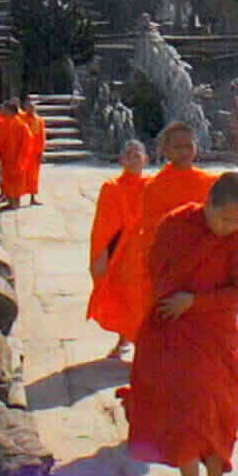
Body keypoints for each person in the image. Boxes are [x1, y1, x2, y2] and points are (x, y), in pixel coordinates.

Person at [122, 169, 238, 476]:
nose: (229, 227)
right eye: (224, 218)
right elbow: (156, 272)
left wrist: (195, 301)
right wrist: (178, 301)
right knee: (186, 413)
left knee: (223, 409)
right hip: (175, 332)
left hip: (217, 334)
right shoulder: (176, 225)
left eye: (237, 220)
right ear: (208, 203)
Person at [91, 123, 210, 341]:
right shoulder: (155, 187)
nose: (184, 152)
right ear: (166, 151)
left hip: (202, 268)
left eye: (188, 145)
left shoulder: (210, 183)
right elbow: (149, 234)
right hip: (165, 269)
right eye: (177, 147)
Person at [84, 139, 150, 362]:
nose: (133, 159)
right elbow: (103, 226)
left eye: (137, 155)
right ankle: (125, 340)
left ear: (145, 160)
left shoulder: (153, 186)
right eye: (128, 155)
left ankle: (138, 343)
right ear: (121, 160)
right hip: (121, 254)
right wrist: (101, 256)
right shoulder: (111, 187)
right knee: (124, 298)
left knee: (142, 300)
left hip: (145, 252)